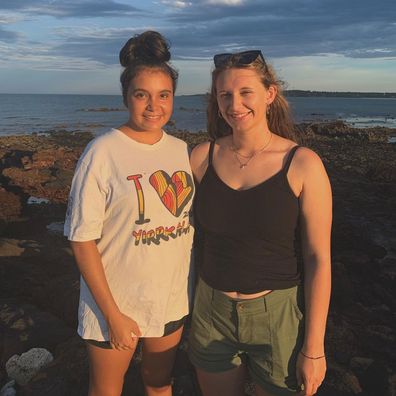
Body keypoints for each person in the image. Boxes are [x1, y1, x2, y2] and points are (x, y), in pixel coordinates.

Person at [188, 50, 332, 396]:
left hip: (278, 317)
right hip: (211, 311)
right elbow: (187, 240)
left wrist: (314, 348)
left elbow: (318, 259)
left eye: (245, 92)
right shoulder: (200, 158)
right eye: (225, 95)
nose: (234, 104)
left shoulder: (302, 164)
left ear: (270, 94)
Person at [64, 31, 194, 396]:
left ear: (173, 99)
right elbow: (82, 238)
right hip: (115, 304)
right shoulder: (102, 152)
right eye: (142, 95)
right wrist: (113, 315)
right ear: (126, 98)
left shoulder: (182, 151)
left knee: (159, 385)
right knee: (107, 389)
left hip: (169, 299)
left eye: (163, 95)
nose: (154, 106)